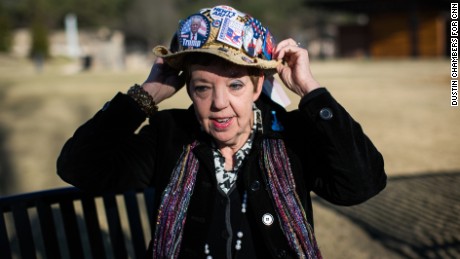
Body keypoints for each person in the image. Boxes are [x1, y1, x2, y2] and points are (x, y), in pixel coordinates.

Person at [57, 5, 386, 259]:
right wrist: (147, 93)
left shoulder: (289, 135)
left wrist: (310, 90)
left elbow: (361, 184)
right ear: (188, 90)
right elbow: (79, 165)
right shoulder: (169, 135)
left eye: (235, 84)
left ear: (258, 86)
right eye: (202, 87)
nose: (219, 103)